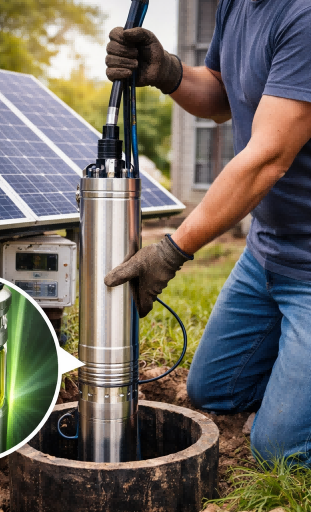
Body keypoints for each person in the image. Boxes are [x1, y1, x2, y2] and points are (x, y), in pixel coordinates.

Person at [103, 0, 311, 465]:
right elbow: (220, 94)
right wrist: (169, 71)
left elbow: (268, 158)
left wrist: (171, 251)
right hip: (269, 253)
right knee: (215, 389)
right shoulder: (236, 3)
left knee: (280, 448)